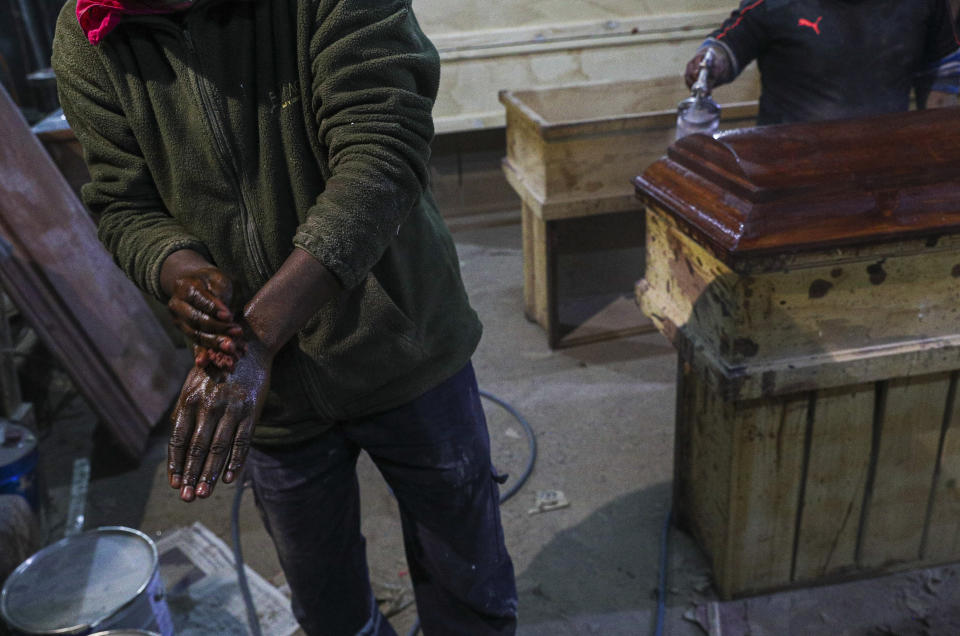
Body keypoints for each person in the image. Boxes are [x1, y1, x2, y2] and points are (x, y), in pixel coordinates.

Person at [51, 0, 518, 634]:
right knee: (326, 599)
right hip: (269, 392)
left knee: (468, 577)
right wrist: (177, 268)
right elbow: (121, 202)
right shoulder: (89, 32)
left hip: (398, 339)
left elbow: (380, 156)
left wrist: (259, 336)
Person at [684, 0, 960, 125]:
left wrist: (938, 144)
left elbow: (944, 69)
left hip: (883, 165)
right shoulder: (776, 4)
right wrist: (710, 63)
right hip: (785, 167)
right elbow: (731, 42)